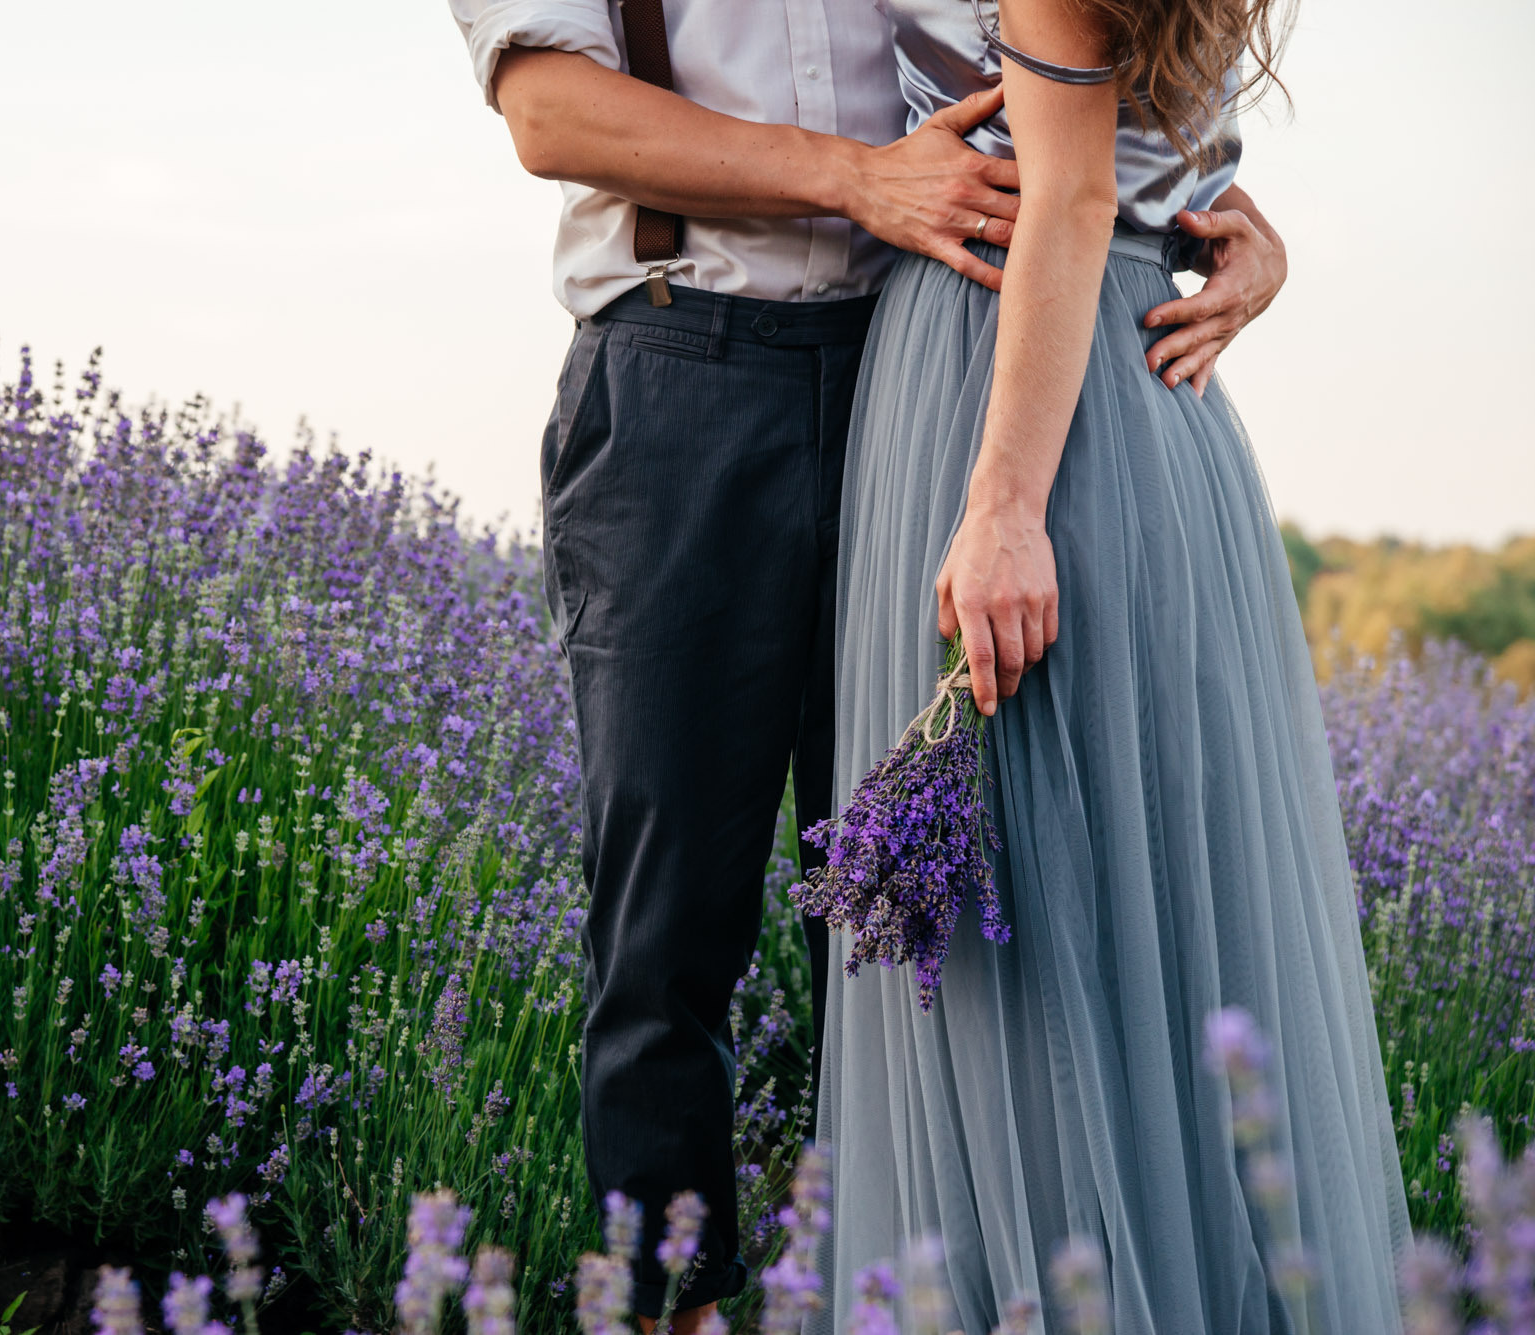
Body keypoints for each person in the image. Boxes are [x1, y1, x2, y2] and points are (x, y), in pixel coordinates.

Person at [446, 2, 1289, 1325]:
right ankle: (673, 1307)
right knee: (671, 915)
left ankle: (894, 1297)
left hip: (929, 376)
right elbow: (552, 116)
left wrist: (1217, 211)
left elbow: (1068, 91)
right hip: (692, 368)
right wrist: (851, 176)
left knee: (934, 911)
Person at [810, 1, 1410, 1331]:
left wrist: (1007, 501)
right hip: (1131, 370)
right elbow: (1107, 126)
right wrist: (1221, 198)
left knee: (1042, 932)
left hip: (1020, 386)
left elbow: (1070, 192)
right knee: (1138, 915)